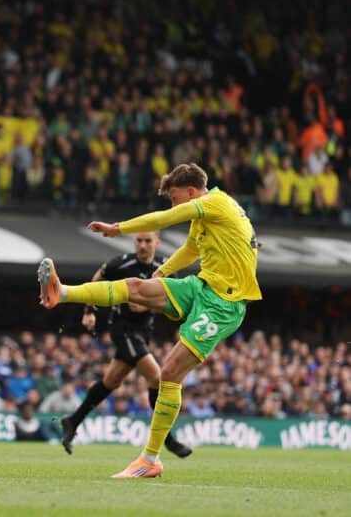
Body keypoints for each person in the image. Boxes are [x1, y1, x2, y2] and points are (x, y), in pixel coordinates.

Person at [38, 163, 260, 478]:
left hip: (225, 302)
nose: (173, 204)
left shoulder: (214, 203)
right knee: (136, 288)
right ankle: (62, 292)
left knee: (168, 373)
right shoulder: (209, 213)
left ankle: (150, 459)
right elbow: (191, 249)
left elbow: (163, 219)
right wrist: (162, 272)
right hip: (202, 286)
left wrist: (118, 229)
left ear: (192, 192)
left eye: (174, 197)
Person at [58, 231, 192, 458]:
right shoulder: (122, 263)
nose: (143, 245)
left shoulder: (166, 267)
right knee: (157, 378)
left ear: (156, 243)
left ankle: (72, 420)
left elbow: (173, 301)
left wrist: (150, 306)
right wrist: (89, 310)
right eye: (139, 241)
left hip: (143, 333)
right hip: (122, 329)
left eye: (148, 241)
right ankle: (167, 440)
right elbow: (98, 278)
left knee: (112, 380)